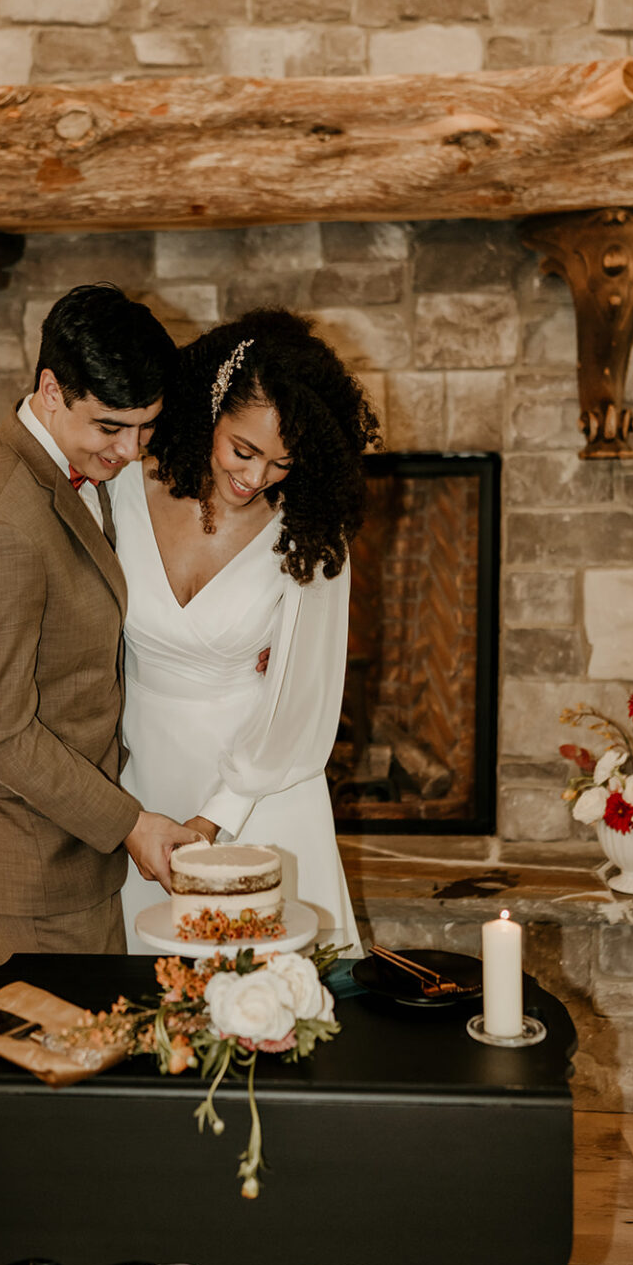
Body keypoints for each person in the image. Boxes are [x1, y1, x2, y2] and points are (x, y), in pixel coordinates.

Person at [0, 283, 194, 967]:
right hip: (37, 861)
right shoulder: (7, 524)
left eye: (145, 426)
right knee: (73, 1062)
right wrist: (131, 824)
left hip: (63, 843)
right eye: (111, 427)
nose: (132, 451)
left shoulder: (59, 461)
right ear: (50, 390)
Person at [110, 308, 378, 954]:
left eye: (281, 463)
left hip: (261, 793)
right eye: (244, 449)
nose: (255, 478)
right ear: (210, 409)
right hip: (140, 794)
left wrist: (213, 823)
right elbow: (42, 580)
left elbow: (304, 708)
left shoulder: (309, 534)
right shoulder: (119, 484)